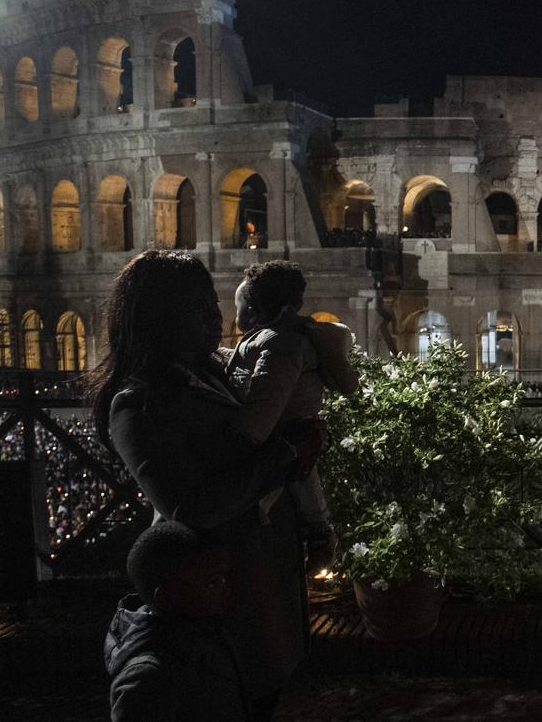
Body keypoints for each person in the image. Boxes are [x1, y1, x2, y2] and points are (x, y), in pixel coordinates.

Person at [90, 250, 318, 722]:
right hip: (213, 596)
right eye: (200, 307)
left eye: (215, 303)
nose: (217, 319)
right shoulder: (137, 404)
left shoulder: (215, 372)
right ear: (162, 315)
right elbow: (189, 505)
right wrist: (286, 455)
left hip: (254, 582)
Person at [227, 260, 358, 570]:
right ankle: (319, 536)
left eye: (238, 305)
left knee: (300, 493)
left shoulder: (279, 345)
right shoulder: (287, 338)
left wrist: (235, 438)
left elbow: (262, 411)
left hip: (284, 439)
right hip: (293, 435)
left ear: (252, 310)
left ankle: (320, 540)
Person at [107, 522, 249, 721]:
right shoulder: (147, 679)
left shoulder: (207, 636)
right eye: (213, 582)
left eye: (225, 579)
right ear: (166, 597)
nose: (226, 589)